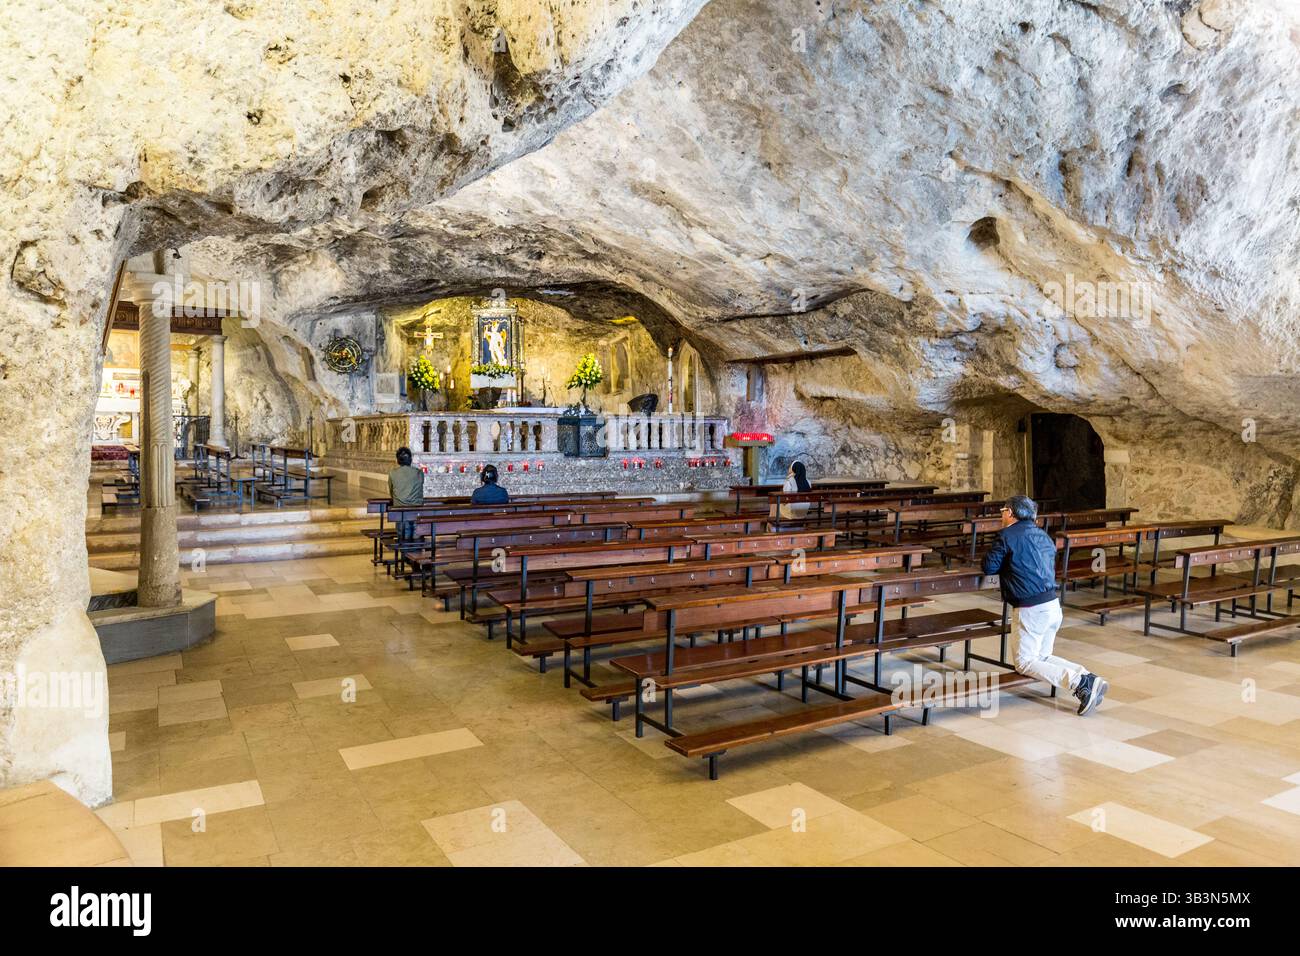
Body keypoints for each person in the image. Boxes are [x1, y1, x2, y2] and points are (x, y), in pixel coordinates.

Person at [981, 494, 1109, 716]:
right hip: (1051, 604)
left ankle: (1080, 683)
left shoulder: (1007, 536)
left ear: (1010, 513)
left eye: (1002, 510)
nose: (1001, 514)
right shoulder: (1043, 536)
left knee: (1025, 663)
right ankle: (1088, 676)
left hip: (1031, 609)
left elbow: (989, 567)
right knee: (1042, 657)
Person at [387, 447, 424, 540]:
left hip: (400, 509)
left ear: (398, 460)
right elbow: (420, 487)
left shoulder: (393, 473)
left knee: (403, 536)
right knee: (416, 534)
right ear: (411, 459)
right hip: (416, 509)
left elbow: (391, 491)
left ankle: (404, 551)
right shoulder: (419, 473)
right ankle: (416, 551)